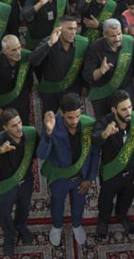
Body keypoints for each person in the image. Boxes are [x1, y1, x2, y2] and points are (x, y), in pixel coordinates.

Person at [37, 93, 100, 247]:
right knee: (57, 203)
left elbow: (95, 153)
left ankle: (76, 224)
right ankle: (57, 226)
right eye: (70, 117)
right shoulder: (52, 125)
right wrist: (48, 133)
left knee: (79, 203)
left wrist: (90, 178)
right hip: (60, 177)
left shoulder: (89, 124)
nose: (75, 121)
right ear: (62, 113)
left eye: (77, 116)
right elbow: (41, 154)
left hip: (81, 176)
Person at [93, 90, 134, 237]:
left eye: (130, 107)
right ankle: (103, 221)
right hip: (111, 172)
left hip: (131, 171)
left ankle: (122, 216)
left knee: (127, 197)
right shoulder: (105, 122)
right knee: (105, 200)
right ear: (114, 110)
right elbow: (95, 139)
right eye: (124, 109)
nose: (129, 112)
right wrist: (105, 134)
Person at [0, 109, 37, 256]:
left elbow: (41, 148)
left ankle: (21, 226)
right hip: (7, 183)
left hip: (26, 180)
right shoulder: (1, 137)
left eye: (20, 122)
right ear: (5, 127)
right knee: (5, 212)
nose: (19, 127)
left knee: (24, 206)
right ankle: (9, 235)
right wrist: (0, 150)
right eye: (14, 125)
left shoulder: (30, 133)